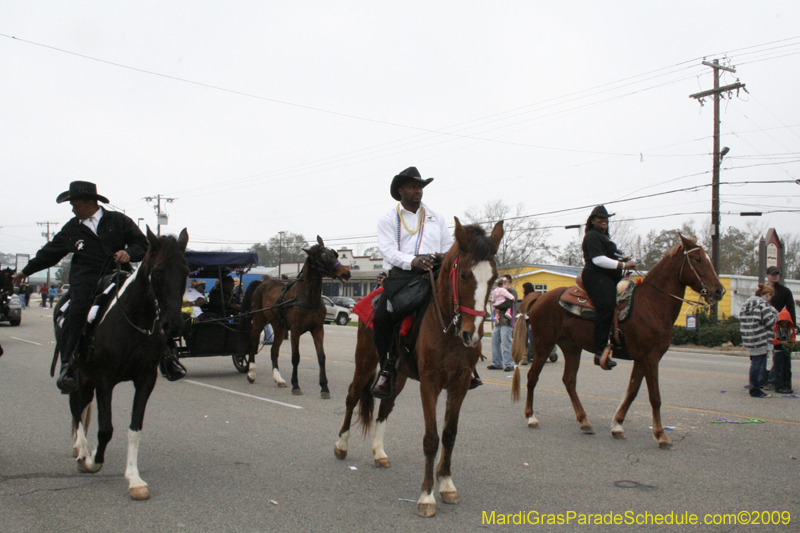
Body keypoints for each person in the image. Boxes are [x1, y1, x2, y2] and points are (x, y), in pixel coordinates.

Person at [12, 181, 185, 393]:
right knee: (76, 310)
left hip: (118, 273)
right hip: (86, 279)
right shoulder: (71, 229)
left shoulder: (118, 220)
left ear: (90, 203)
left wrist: (129, 253)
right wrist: (26, 271)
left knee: (148, 303)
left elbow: (143, 245)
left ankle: (167, 356)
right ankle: (68, 364)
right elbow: (49, 252)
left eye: (75, 205)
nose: (73, 209)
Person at [371, 166, 456, 399]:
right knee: (381, 318)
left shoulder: (436, 217)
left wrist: (441, 257)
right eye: (412, 186)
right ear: (400, 190)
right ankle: (387, 369)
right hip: (402, 276)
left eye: (420, 186)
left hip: (434, 273)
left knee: (460, 308)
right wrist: (412, 261)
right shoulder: (389, 218)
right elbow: (388, 250)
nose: (417, 191)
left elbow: (448, 246)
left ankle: (468, 366)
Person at [581, 205, 635, 370]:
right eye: (600, 218)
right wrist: (623, 264)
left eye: (606, 219)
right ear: (593, 221)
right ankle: (599, 351)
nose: (604, 221)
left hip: (610, 277)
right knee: (606, 305)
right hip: (596, 276)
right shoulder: (591, 236)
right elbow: (598, 260)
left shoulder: (606, 239)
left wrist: (623, 258)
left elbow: (611, 255)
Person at [739, 283, 778, 398]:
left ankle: (754, 387)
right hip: (761, 339)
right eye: (771, 296)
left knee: (755, 363)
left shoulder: (746, 304)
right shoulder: (763, 305)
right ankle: (755, 390)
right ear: (768, 295)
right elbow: (770, 322)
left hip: (749, 339)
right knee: (757, 364)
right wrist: (775, 313)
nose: (771, 299)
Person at [765, 266, 796, 392]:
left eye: (777, 274)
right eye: (773, 274)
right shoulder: (763, 290)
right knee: (761, 354)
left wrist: (794, 326)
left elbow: (791, 309)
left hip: (781, 326)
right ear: (767, 275)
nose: (775, 276)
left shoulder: (785, 291)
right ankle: (761, 379)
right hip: (765, 325)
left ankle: (776, 382)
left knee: (781, 355)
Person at [487, 276, 516, 372]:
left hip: (506, 321)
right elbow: (494, 300)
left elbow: (509, 303)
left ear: (509, 282)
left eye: (505, 282)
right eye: (502, 282)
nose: (503, 284)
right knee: (495, 342)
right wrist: (495, 307)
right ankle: (497, 363)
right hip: (498, 322)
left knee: (506, 343)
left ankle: (509, 364)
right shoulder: (498, 291)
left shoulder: (512, 292)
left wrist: (497, 306)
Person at [773, 308, 795, 394]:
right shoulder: (776, 328)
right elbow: (773, 340)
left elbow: (793, 337)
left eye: (786, 321)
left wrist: (792, 342)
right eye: (782, 321)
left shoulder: (790, 329)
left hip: (787, 351)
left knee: (787, 369)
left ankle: (787, 386)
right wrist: (782, 342)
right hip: (778, 351)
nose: (784, 323)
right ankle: (779, 386)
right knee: (779, 369)